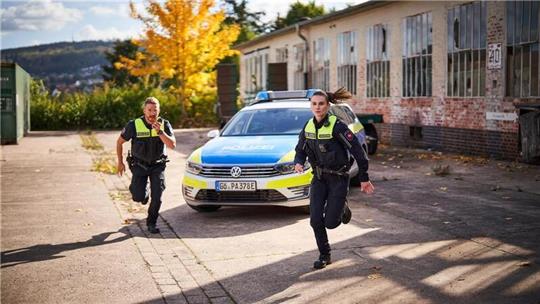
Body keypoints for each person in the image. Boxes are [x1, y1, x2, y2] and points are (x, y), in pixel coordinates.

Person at [294, 87, 375, 269]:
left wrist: (364, 177)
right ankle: (325, 255)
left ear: (327, 105)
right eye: (314, 104)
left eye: (321, 104)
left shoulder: (337, 126)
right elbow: (300, 149)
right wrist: (298, 162)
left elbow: (357, 151)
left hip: (338, 179)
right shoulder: (307, 126)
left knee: (331, 223)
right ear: (310, 106)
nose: (317, 107)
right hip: (319, 178)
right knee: (315, 220)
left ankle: (342, 208)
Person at [116, 97, 176, 234]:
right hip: (139, 166)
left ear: (159, 111)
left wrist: (160, 132)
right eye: (149, 110)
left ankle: (151, 223)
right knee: (138, 196)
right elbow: (119, 142)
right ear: (144, 111)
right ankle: (143, 193)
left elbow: (172, 145)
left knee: (158, 197)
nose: (152, 113)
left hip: (157, 166)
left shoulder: (164, 124)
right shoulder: (134, 125)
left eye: (155, 110)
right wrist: (119, 162)